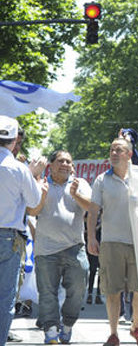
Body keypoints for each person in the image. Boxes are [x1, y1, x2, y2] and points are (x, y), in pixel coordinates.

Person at [87, 138, 138, 346]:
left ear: (129, 155)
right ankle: (113, 334)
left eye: (119, 150)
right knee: (113, 291)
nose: (114, 153)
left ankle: (136, 327)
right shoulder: (101, 181)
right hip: (111, 242)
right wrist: (91, 238)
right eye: (112, 149)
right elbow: (93, 211)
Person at [26, 150, 92, 344]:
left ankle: (68, 324)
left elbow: (91, 207)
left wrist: (76, 194)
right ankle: (51, 332)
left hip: (75, 247)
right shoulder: (41, 184)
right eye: (60, 161)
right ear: (51, 165)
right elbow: (32, 211)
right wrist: (43, 195)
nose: (65, 164)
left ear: (73, 166)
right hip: (46, 250)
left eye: (68, 162)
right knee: (47, 293)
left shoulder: (81, 184)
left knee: (79, 290)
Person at [0, 116, 44, 344]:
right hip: (8, 237)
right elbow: (35, 202)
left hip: (10, 236)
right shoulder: (18, 169)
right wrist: (32, 173)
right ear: (14, 139)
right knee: (5, 298)